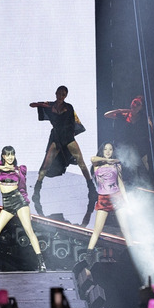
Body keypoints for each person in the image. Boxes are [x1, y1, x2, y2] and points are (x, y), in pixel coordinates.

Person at [29, 86, 97, 223]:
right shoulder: (50, 105)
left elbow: (73, 123)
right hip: (56, 137)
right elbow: (32, 105)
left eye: (63, 94)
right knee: (46, 163)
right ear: (56, 93)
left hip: (68, 137)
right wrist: (43, 104)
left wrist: (70, 137)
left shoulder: (69, 107)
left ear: (66, 95)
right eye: (59, 93)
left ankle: (91, 188)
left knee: (81, 162)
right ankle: (37, 189)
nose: (61, 96)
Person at [0, 146, 47, 273]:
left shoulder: (20, 169)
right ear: (3, 156)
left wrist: (27, 206)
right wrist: (1, 167)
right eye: (8, 155)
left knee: (29, 231)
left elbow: (23, 189)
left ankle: (41, 263)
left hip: (19, 202)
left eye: (12, 154)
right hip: (7, 204)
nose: (10, 157)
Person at [85, 142, 133, 266]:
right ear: (102, 150)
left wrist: (127, 203)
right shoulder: (97, 164)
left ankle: (133, 254)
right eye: (105, 149)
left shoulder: (117, 165)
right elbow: (92, 158)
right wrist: (110, 160)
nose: (108, 151)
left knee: (125, 229)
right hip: (103, 198)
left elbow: (121, 185)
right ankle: (88, 256)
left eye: (110, 149)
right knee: (97, 231)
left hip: (116, 197)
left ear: (113, 151)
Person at [104, 95, 154, 194]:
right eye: (134, 102)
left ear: (141, 108)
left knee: (141, 171)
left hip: (139, 148)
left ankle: (148, 191)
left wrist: (150, 124)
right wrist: (120, 110)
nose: (134, 104)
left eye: (138, 104)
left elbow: (150, 132)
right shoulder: (123, 115)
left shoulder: (143, 118)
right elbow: (106, 115)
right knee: (126, 169)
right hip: (124, 147)